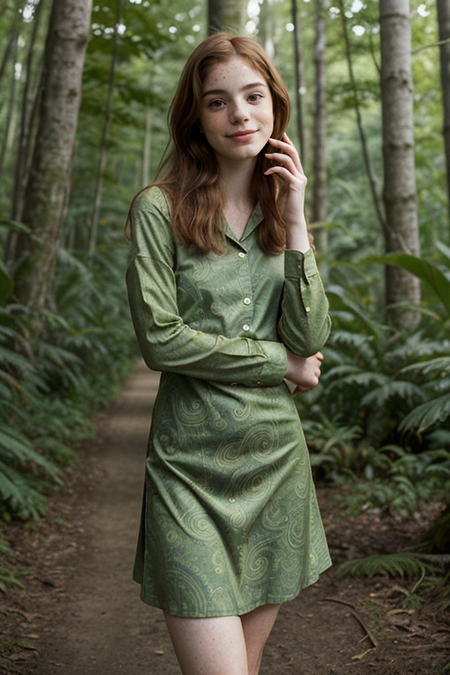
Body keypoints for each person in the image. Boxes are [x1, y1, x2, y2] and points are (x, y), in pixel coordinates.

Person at [125, 32, 331, 675]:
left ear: (274, 106)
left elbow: (310, 339)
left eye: (253, 96)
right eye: (217, 102)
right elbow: (160, 340)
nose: (239, 114)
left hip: (275, 469)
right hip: (188, 474)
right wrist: (281, 366)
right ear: (196, 118)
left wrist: (296, 222)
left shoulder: (282, 215)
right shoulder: (158, 209)